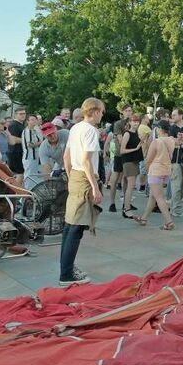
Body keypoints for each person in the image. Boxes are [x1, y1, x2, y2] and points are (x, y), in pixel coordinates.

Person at [60, 97, 104, 286]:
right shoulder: (91, 131)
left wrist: (71, 176)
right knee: (76, 228)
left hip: (75, 176)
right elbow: (87, 161)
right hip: (85, 178)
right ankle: (66, 274)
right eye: (101, 111)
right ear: (94, 112)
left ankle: (66, 268)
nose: (102, 114)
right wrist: (95, 187)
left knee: (69, 226)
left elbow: (66, 156)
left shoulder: (76, 127)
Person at [140, 120, 176, 230]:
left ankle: (169, 222)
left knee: (159, 197)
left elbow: (148, 159)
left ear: (159, 129)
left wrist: (145, 171)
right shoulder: (171, 140)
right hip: (166, 171)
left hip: (155, 171)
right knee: (153, 195)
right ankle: (144, 218)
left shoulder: (156, 142)